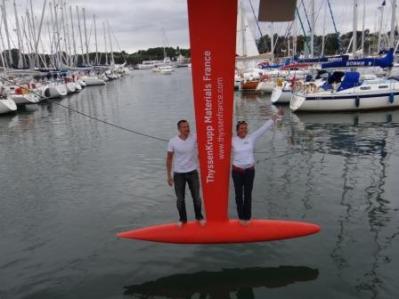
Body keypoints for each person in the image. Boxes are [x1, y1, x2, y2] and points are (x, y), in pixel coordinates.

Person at [232, 109, 283, 225]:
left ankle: (247, 218)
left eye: (245, 128)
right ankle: (241, 218)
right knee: (239, 195)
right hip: (237, 172)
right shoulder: (232, 140)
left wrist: (275, 116)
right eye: (241, 128)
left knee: (248, 195)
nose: (244, 130)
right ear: (237, 130)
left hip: (249, 171)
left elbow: (264, 129)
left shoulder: (251, 138)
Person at [166, 120, 205, 226]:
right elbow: (169, 159)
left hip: (193, 172)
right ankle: (182, 219)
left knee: (196, 197)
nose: (187, 129)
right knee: (180, 199)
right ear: (179, 129)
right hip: (179, 174)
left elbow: (207, 134)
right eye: (184, 127)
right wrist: (169, 176)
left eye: (188, 126)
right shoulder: (173, 141)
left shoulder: (195, 137)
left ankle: (199, 217)